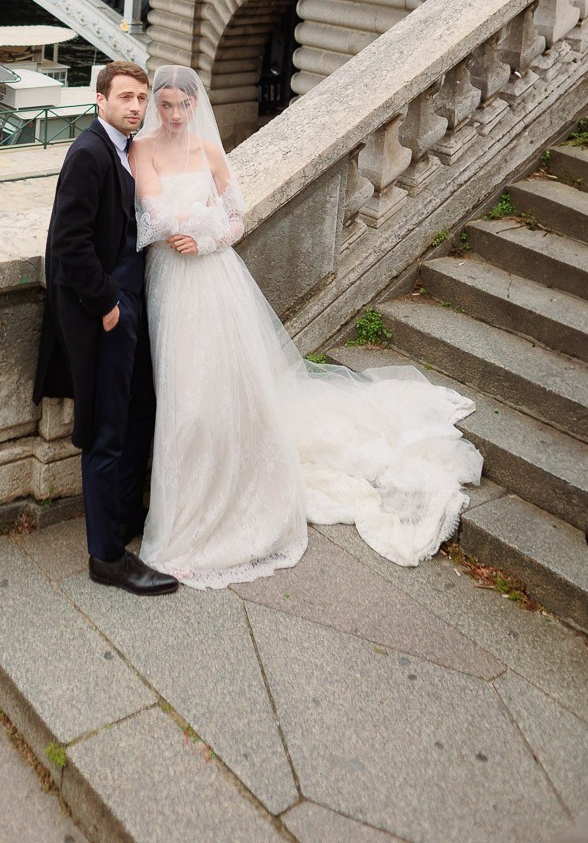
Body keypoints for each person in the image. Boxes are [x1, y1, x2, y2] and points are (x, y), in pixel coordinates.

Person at [130, 65, 483, 587]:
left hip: (212, 274)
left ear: (195, 105)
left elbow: (236, 217)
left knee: (226, 387)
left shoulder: (207, 150)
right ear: (155, 106)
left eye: (184, 105)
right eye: (166, 105)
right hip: (171, 280)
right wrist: (192, 222)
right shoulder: (142, 149)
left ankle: (232, 496)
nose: (176, 114)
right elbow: (153, 216)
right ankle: (184, 514)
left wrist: (207, 238)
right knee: (184, 394)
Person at [33, 62, 177, 597]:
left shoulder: (124, 149)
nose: (136, 106)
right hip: (106, 314)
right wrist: (107, 303)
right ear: (101, 100)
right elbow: (68, 242)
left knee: (141, 407)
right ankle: (107, 557)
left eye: (141, 98)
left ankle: (123, 516)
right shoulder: (89, 153)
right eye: (125, 97)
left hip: (131, 304)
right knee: (106, 430)